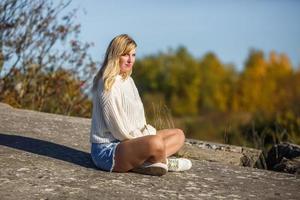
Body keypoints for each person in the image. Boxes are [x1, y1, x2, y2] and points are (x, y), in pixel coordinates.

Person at [90, 34, 192, 176]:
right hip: (109, 151)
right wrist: (147, 139)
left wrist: (146, 135)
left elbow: (139, 121)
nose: (130, 60)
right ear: (115, 55)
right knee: (155, 142)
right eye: (125, 55)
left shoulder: (128, 81)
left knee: (178, 135)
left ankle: (151, 160)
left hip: (130, 142)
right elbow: (118, 130)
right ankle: (163, 161)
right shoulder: (107, 84)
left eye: (133, 55)